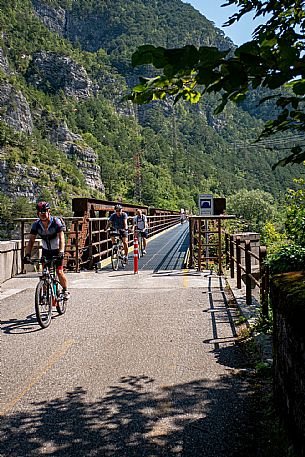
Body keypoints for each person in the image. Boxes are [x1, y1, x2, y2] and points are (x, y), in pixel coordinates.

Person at [24, 201, 70, 300]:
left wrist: (61, 252)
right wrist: (27, 254)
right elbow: (31, 241)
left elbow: (61, 238)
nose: (43, 214)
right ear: (38, 213)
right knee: (45, 273)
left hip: (57, 249)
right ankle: (45, 294)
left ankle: (65, 290)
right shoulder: (36, 224)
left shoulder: (56, 222)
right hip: (46, 251)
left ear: (49, 211)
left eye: (44, 211)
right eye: (40, 212)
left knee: (59, 271)